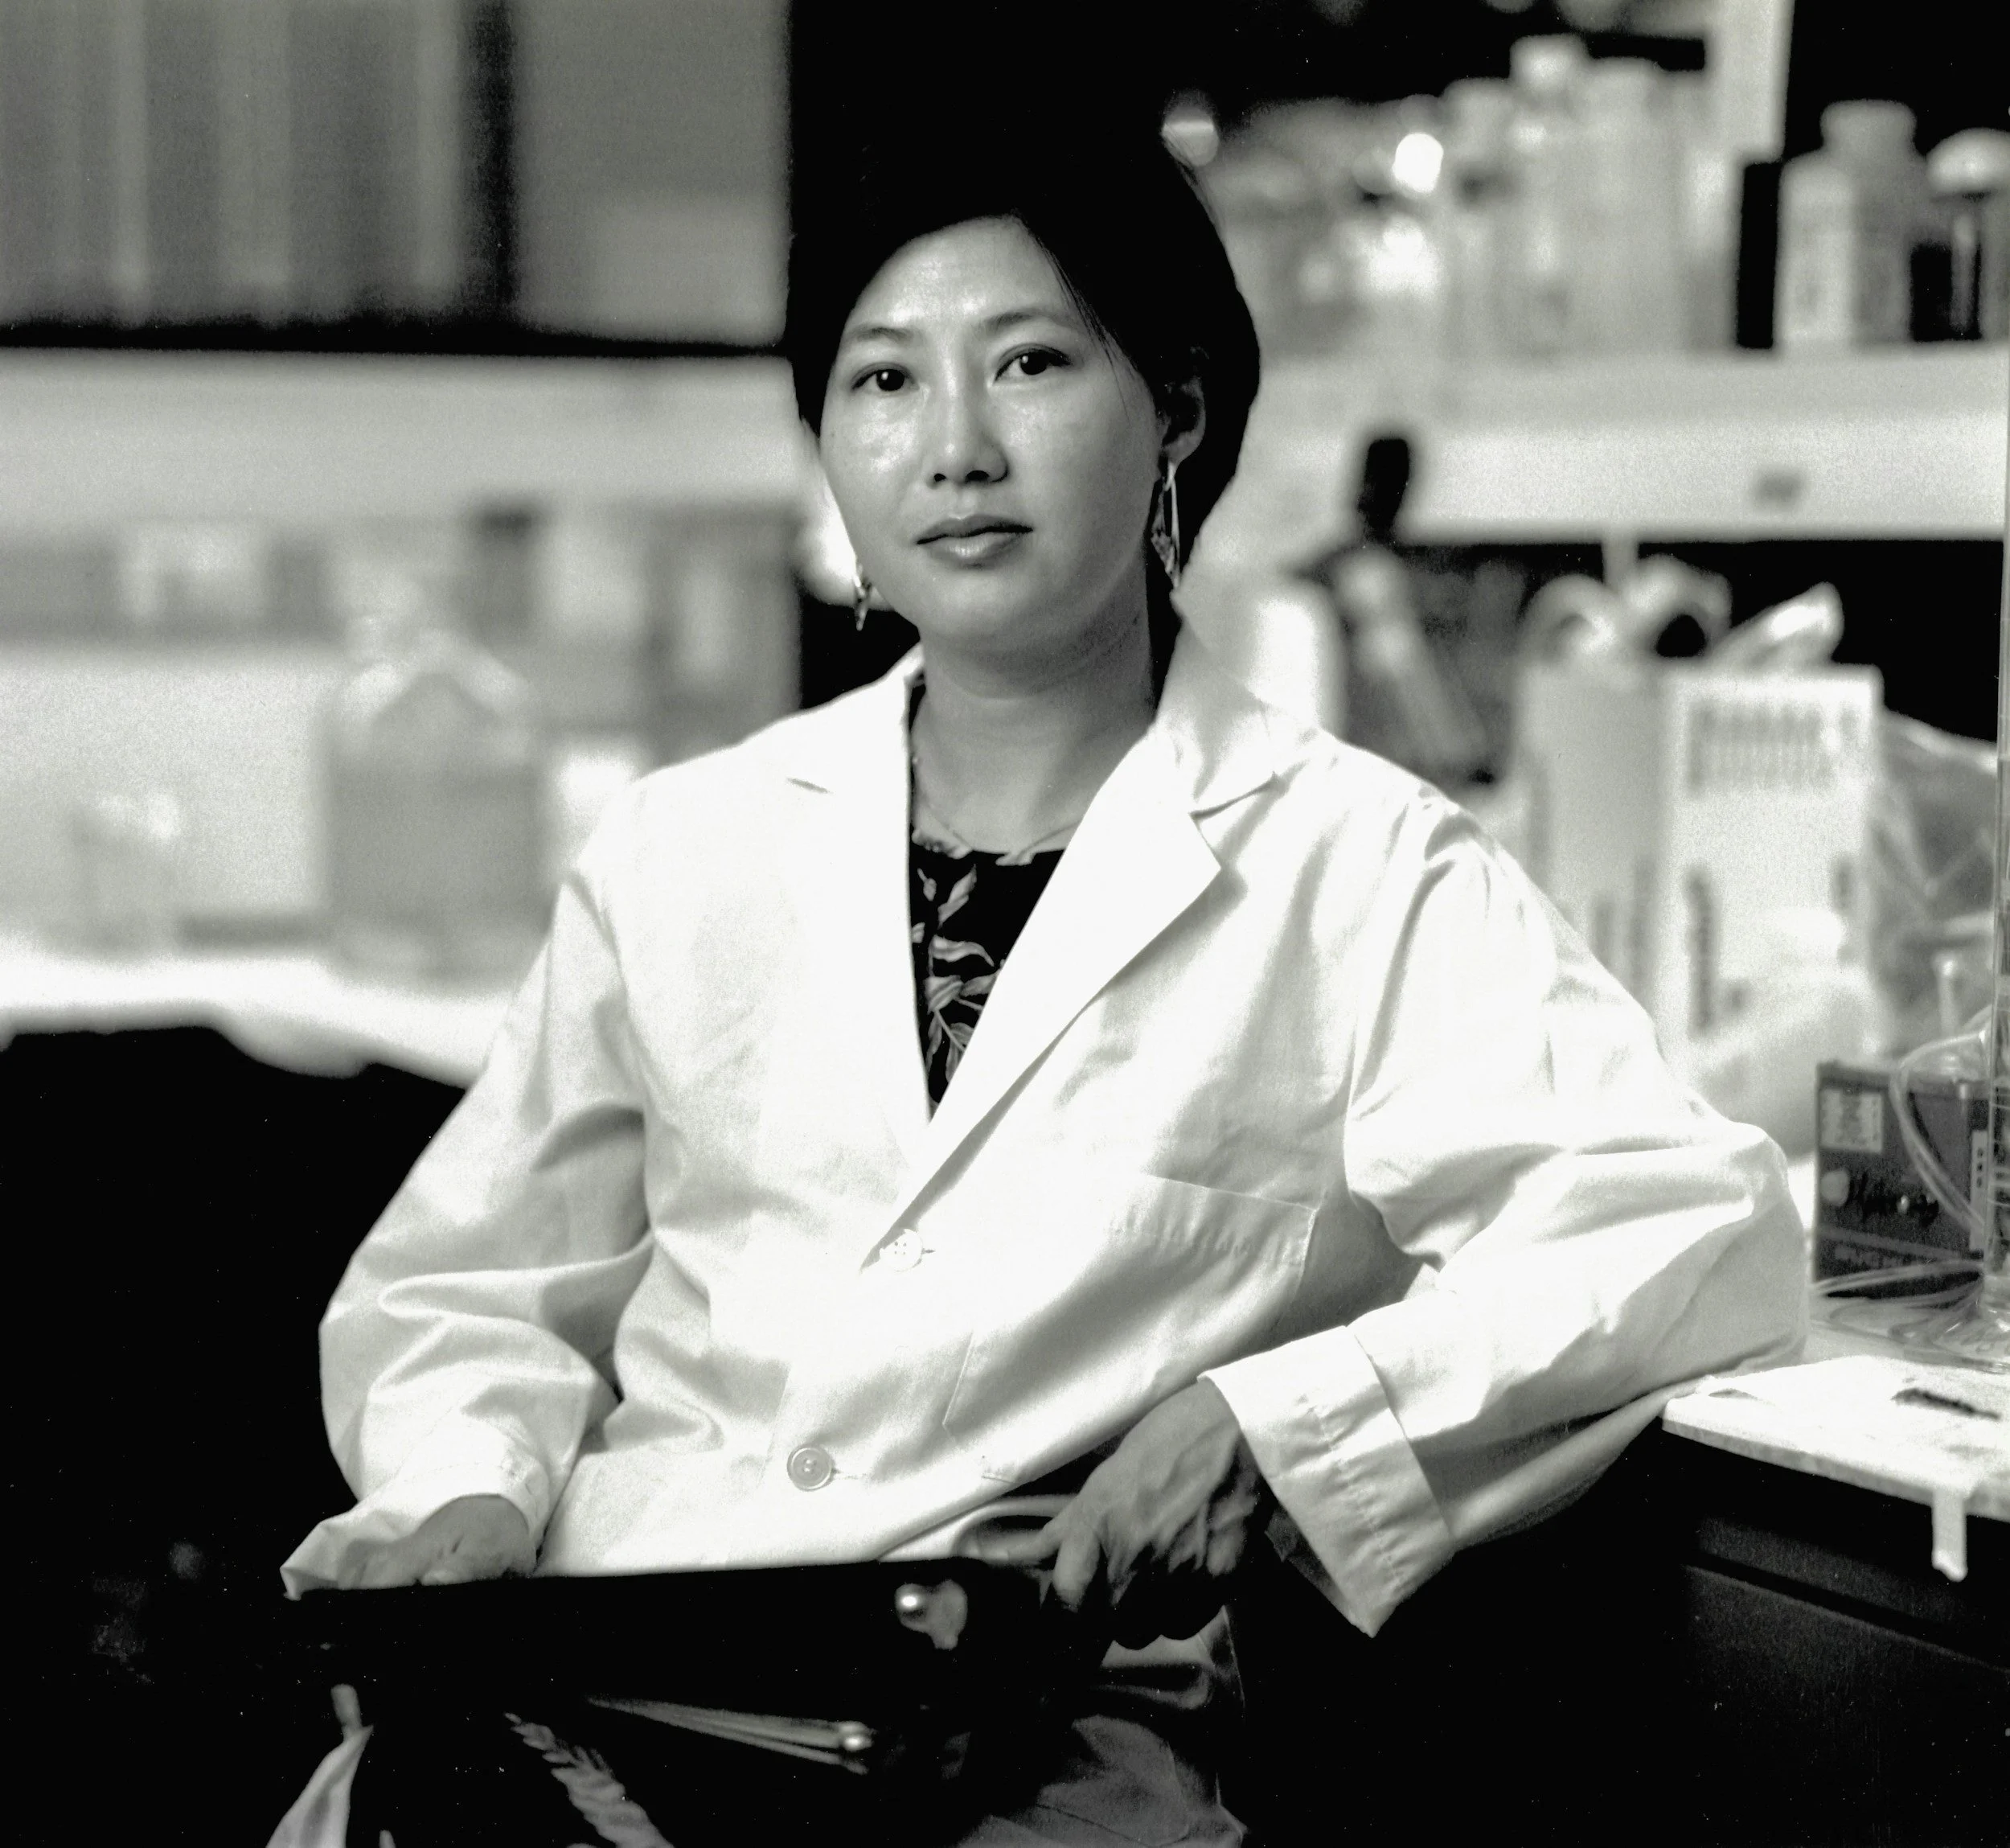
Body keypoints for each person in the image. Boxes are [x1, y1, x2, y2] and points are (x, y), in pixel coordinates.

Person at [273, 109, 1804, 1848]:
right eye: (881, 384)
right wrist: (468, 1486)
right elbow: (475, 1286)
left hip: (1022, 1739)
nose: (954, 448)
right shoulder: (679, 851)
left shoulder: (1356, 865)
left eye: (1024, 363)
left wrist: (1264, 1418)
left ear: (1174, 411)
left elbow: (1682, 1228)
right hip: (595, 1665)